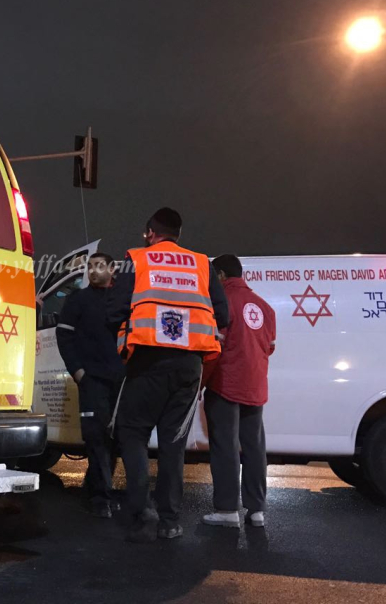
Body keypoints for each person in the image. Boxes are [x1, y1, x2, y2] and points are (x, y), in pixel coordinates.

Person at [107, 208, 229, 542]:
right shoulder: (202, 263)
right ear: (178, 234)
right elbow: (223, 315)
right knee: (173, 444)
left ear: (150, 233)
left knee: (132, 434)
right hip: (188, 365)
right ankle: (170, 521)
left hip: (147, 360)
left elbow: (114, 311)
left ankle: (139, 511)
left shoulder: (136, 259)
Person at [201, 254, 276, 529]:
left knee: (225, 446)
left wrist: (200, 384)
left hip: (225, 385)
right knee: (254, 447)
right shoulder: (265, 307)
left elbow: (213, 350)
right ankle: (257, 511)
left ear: (220, 275)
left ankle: (226, 510)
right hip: (255, 386)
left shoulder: (221, 304)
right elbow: (269, 348)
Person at [56, 253, 126, 518]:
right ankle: (100, 497)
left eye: (99, 266)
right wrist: (78, 372)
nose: (93, 271)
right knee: (95, 437)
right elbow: (64, 336)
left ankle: (98, 488)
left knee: (114, 438)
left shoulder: (121, 300)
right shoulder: (78, 299)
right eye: (90, 267)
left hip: (118, 381)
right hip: (92, 379)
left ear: (112, 269)